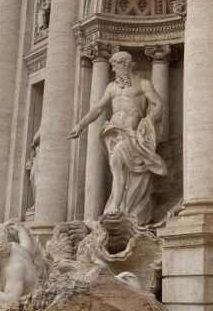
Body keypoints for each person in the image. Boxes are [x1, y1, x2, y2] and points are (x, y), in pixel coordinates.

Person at [69, 51, 166, 225]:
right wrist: (80, 125)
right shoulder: (111, 87)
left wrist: (150, 119)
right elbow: (98, 109)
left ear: (125, 65)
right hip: (113, 132)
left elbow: (160, 104)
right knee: (118, 168)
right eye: (112, 65)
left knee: (116, 162)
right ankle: (120, 206)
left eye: (115, 65)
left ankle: (116, 206)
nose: (113, 69)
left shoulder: (143, 84)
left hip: (130, 134)